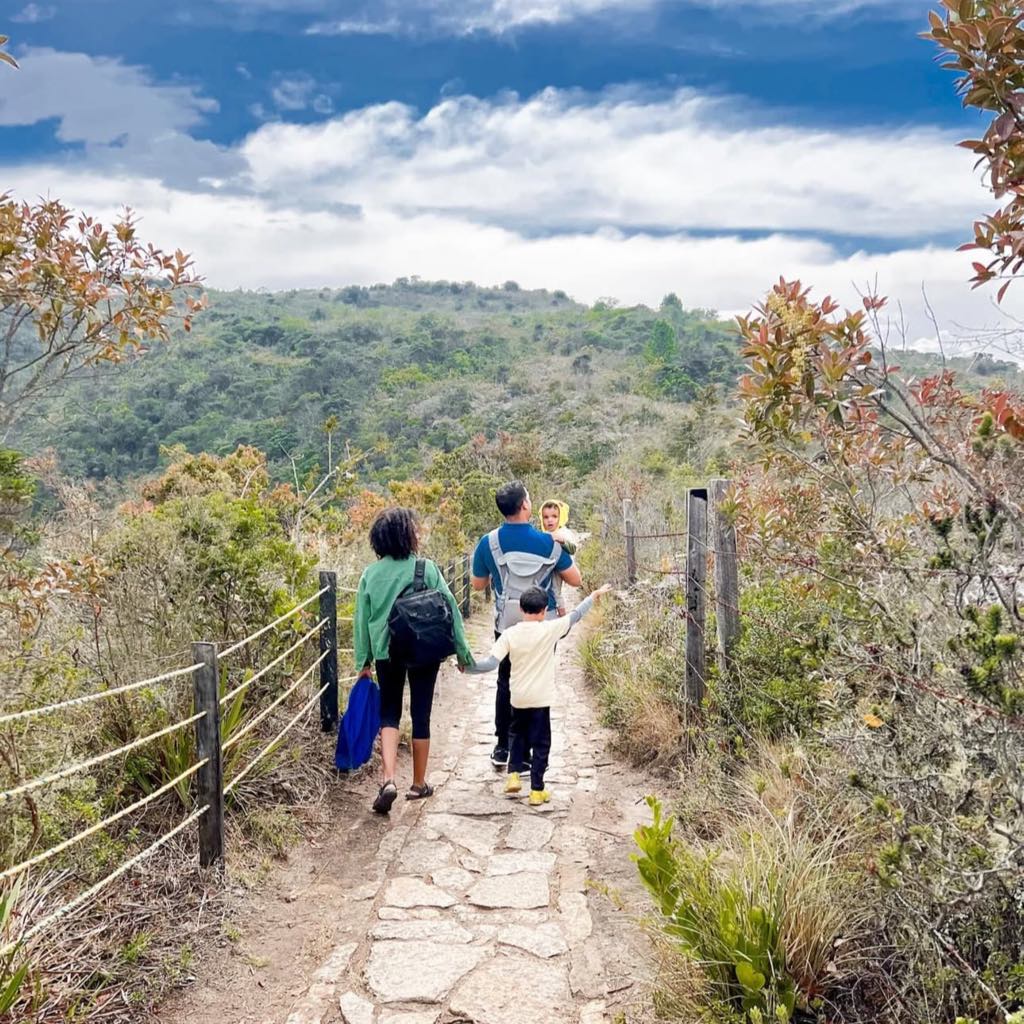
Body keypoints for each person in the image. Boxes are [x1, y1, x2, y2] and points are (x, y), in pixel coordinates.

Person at [354, 506, 474, 815]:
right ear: (408, 536)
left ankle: (388, 779)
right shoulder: (427, 568)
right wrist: (462, 652)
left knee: (389, 713)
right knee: (422, 714)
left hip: (386, 652)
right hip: (424, 649)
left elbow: (361, 621)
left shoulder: (371, 574)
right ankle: (419, 784)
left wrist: (363, 662)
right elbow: (451, 610)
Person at [467, 583, 613, 805]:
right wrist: (594, 595)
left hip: (518, 698)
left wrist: (467, 667)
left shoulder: (509, 634)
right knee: (541, 743)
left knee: (515, 736)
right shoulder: (550, 629)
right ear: (544, 611)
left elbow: (490, 663)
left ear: (522, 609)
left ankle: (513, 775)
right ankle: (536, 789)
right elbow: (576, 615)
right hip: (541, 700)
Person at [471, 481, 582, 769]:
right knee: (537, 682)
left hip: (506, 623)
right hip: (542, 625)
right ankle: (530, 751)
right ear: (525, 506)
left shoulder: (489, 542)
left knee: (505, 681)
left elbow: (477, 584)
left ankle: (502, 747)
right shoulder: (549, 543)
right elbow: (575, 579)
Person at [539, 499, 581, 618]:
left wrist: (562, 541)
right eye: (546, 517)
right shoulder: (544, 534)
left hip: (562, 567)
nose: (550, 520)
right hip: (549, 566)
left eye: (554, 516)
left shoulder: (564, 533)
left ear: (560, 517)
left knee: (556, 588)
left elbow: (573, 548)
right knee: (551, 588)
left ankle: (562, 611)